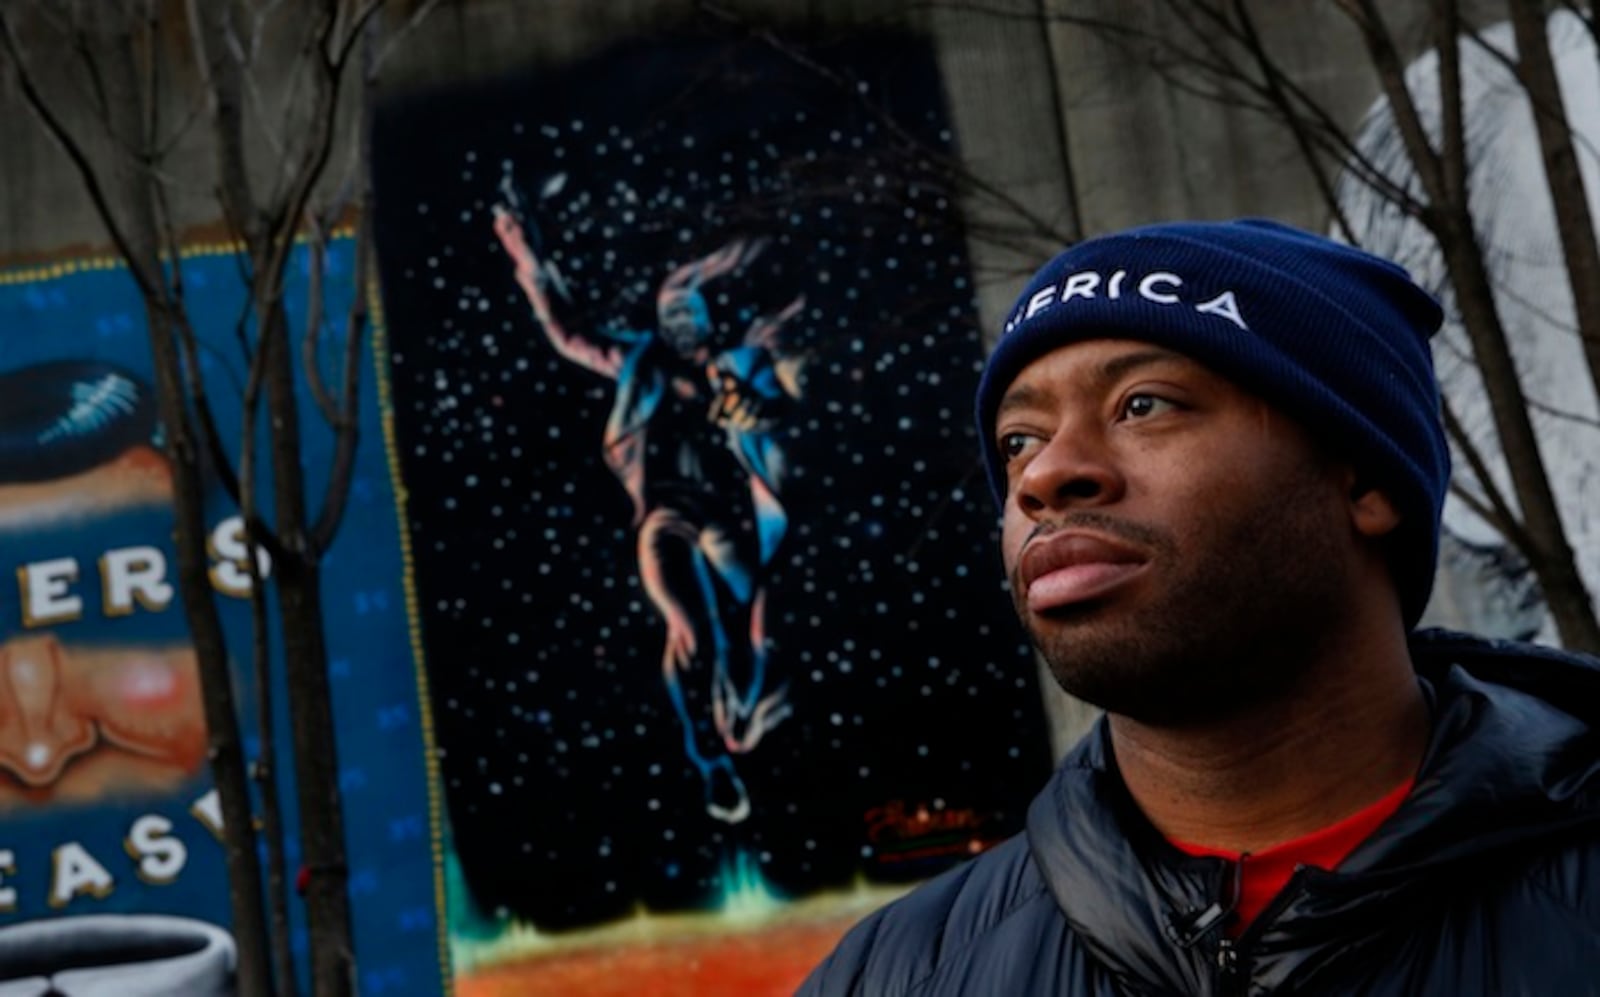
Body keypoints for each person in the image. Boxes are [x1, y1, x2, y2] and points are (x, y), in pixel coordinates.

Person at [800, 219, 1600, 995]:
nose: (1045, 476)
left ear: (1365, 480)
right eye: (1019, 440)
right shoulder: (893, 975)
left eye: (1144, 404)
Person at [493, 207, 806, 824]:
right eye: (673, 315)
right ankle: (711, 757)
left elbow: (777, 408)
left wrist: (756, 409)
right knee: (689, 629)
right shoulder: (640, 363)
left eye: (691, 314)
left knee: (755, 619)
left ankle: (739, 714)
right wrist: (527, 259)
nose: (683, 324)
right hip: (665, 516)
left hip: (726, 516)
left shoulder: (735, 367)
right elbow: (568, 330)